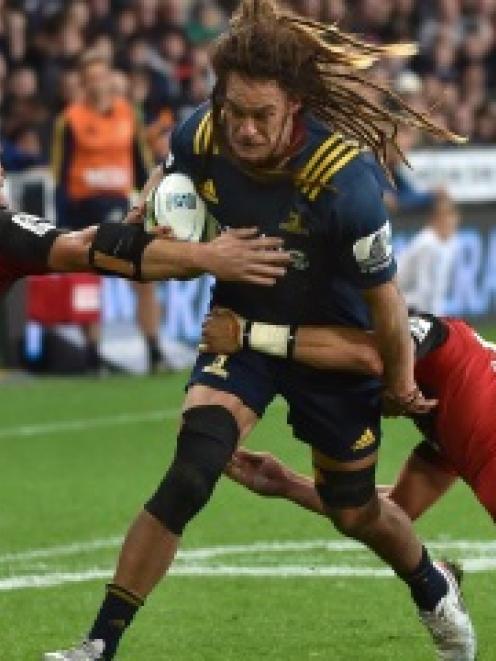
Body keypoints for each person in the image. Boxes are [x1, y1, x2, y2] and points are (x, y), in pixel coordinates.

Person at [45, 2, 475, 660]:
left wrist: (399, 379)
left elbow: (385, 303)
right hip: (236, 328)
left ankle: (431, 584)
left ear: (295, 105)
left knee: (354, 509)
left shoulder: (344, 181)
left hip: (330, 343)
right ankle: (98, 643)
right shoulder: (205, 131)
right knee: (193, 467)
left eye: (261, 116)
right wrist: (153, 204)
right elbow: (172, 173)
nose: (243, 130)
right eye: (233, 111)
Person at [201, 307, 496, 524]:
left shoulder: (446, 342)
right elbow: (398, 510)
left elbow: (393, 347)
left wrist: (248, 334)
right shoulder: (447, 433)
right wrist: (285, 483)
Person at [51, 50, 165, 373]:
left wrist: (149, 201)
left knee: (144, 275)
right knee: (88, 284)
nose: (97, 84)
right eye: (91, 78)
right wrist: (60, 222)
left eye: (102, 76)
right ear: (83, 84)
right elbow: (60, 171)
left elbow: (142, 162)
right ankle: (92, 353)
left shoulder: (128, 114)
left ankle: (153, 350)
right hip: (83, 208)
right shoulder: (69, 120)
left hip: (120, 207)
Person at [397, 192, 460, 315]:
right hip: (401, 298)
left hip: (416, 302)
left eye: (452, 215)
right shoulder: (426, 243)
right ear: (434, 219)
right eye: (444, 216)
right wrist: (433, 318)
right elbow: (423, 286)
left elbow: (439, 286)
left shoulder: (451, 242)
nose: (449, 220)